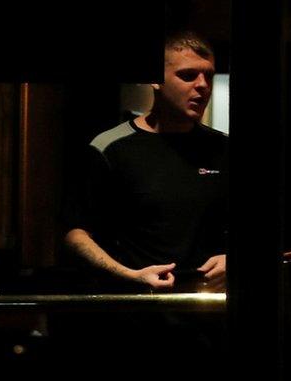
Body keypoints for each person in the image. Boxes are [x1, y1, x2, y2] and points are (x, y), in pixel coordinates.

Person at [60, 31, 228, 359]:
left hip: (210, 328)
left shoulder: (224, 149)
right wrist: (130, 276)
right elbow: (74, 230)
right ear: (155, 80)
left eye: (207, 75)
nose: (202, 85)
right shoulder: (111, 148)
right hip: (134, 328)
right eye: (187, 75)